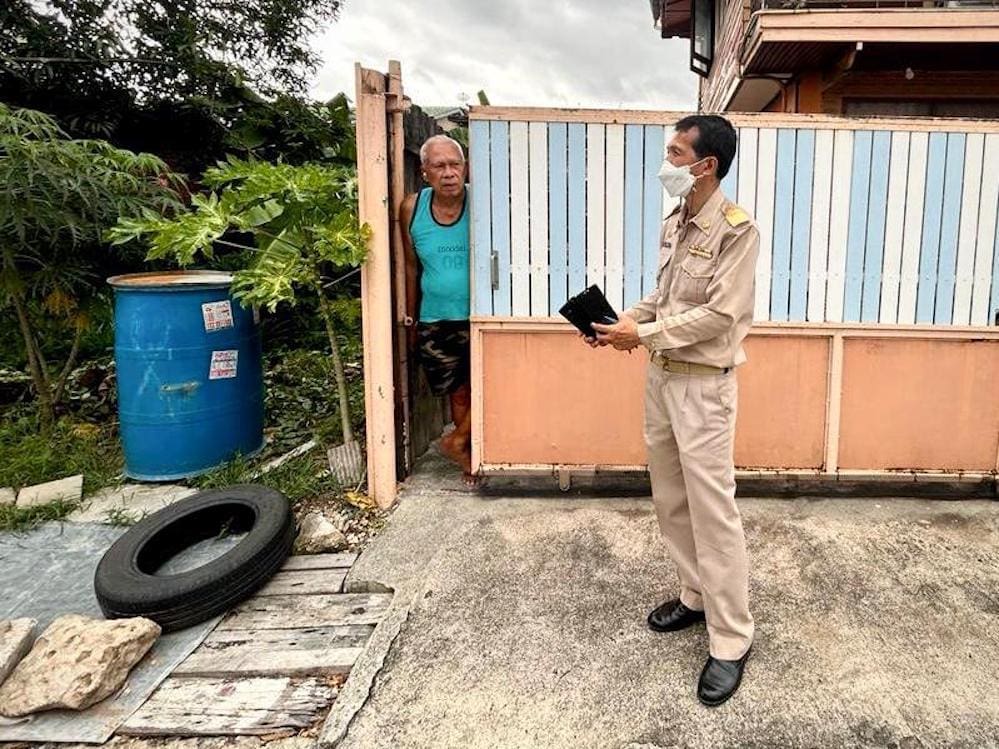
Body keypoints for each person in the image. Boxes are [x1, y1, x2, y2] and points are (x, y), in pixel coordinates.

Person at [587, 115, 759, 706]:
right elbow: (662, 297)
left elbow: (719, 317)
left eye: (675, 151)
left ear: (704, 164)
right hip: (662, 380)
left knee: (713, 509)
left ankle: (732, 639)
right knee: (670, 497)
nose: (667, 161)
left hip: (704, 388)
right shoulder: (677, 220)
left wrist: (646, 333)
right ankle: (694, 595)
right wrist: (625, 322)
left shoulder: (737, 231)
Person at [400, 134, 475, 485]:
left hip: (481, 315)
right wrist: (411, 318)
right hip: (437, 317)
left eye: (455, 164)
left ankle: (457, 441)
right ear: (424, 171)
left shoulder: (483, 202)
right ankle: (468, 455)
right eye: (439, 165)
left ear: (466, 167)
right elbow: (411, 268)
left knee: (493, 385)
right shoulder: (411, 209)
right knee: (458, 391)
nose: (449, 172)